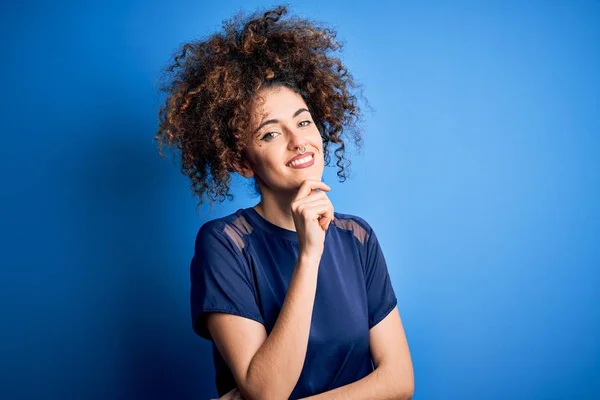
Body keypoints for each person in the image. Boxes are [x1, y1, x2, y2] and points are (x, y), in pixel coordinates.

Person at [155, 5, 414, 400]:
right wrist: (309, 254)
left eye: (304, 121)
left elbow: (399, 381)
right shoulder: (225, 244)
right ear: (242, 162)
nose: (298, 141)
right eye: (270, 134)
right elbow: (267, 391)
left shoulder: (357, 237)